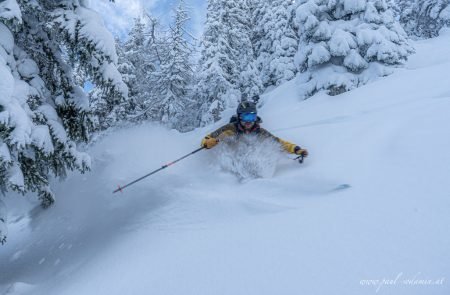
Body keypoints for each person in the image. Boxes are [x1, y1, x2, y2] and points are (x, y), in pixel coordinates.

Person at [201, 101, 309, 157]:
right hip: (232, 156)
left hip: (249, 159)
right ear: (239, 117)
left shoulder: (259, 132)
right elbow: (207, 138)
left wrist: (296, 149)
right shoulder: (230, 128)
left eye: (251, 117)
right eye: (245, 117)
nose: (249, 121)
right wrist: (207, 142)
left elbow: (279, 143)